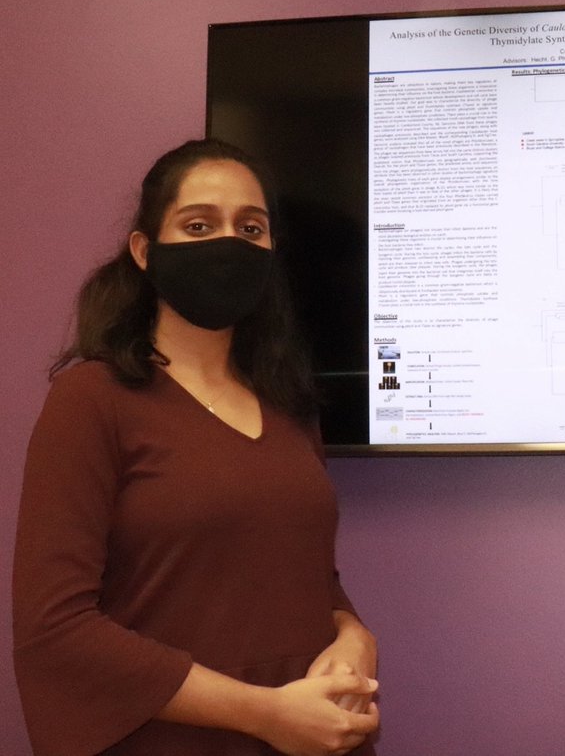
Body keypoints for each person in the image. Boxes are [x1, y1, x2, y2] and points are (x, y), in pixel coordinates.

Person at [13, 139, 381, 755]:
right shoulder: (91, 399)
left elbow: (309, 578)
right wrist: (264, 714)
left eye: (251, 227)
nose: (228, 243)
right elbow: (55, 628)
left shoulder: (290, 405)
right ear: (144, 251)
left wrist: (353, 634)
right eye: (199, 224)